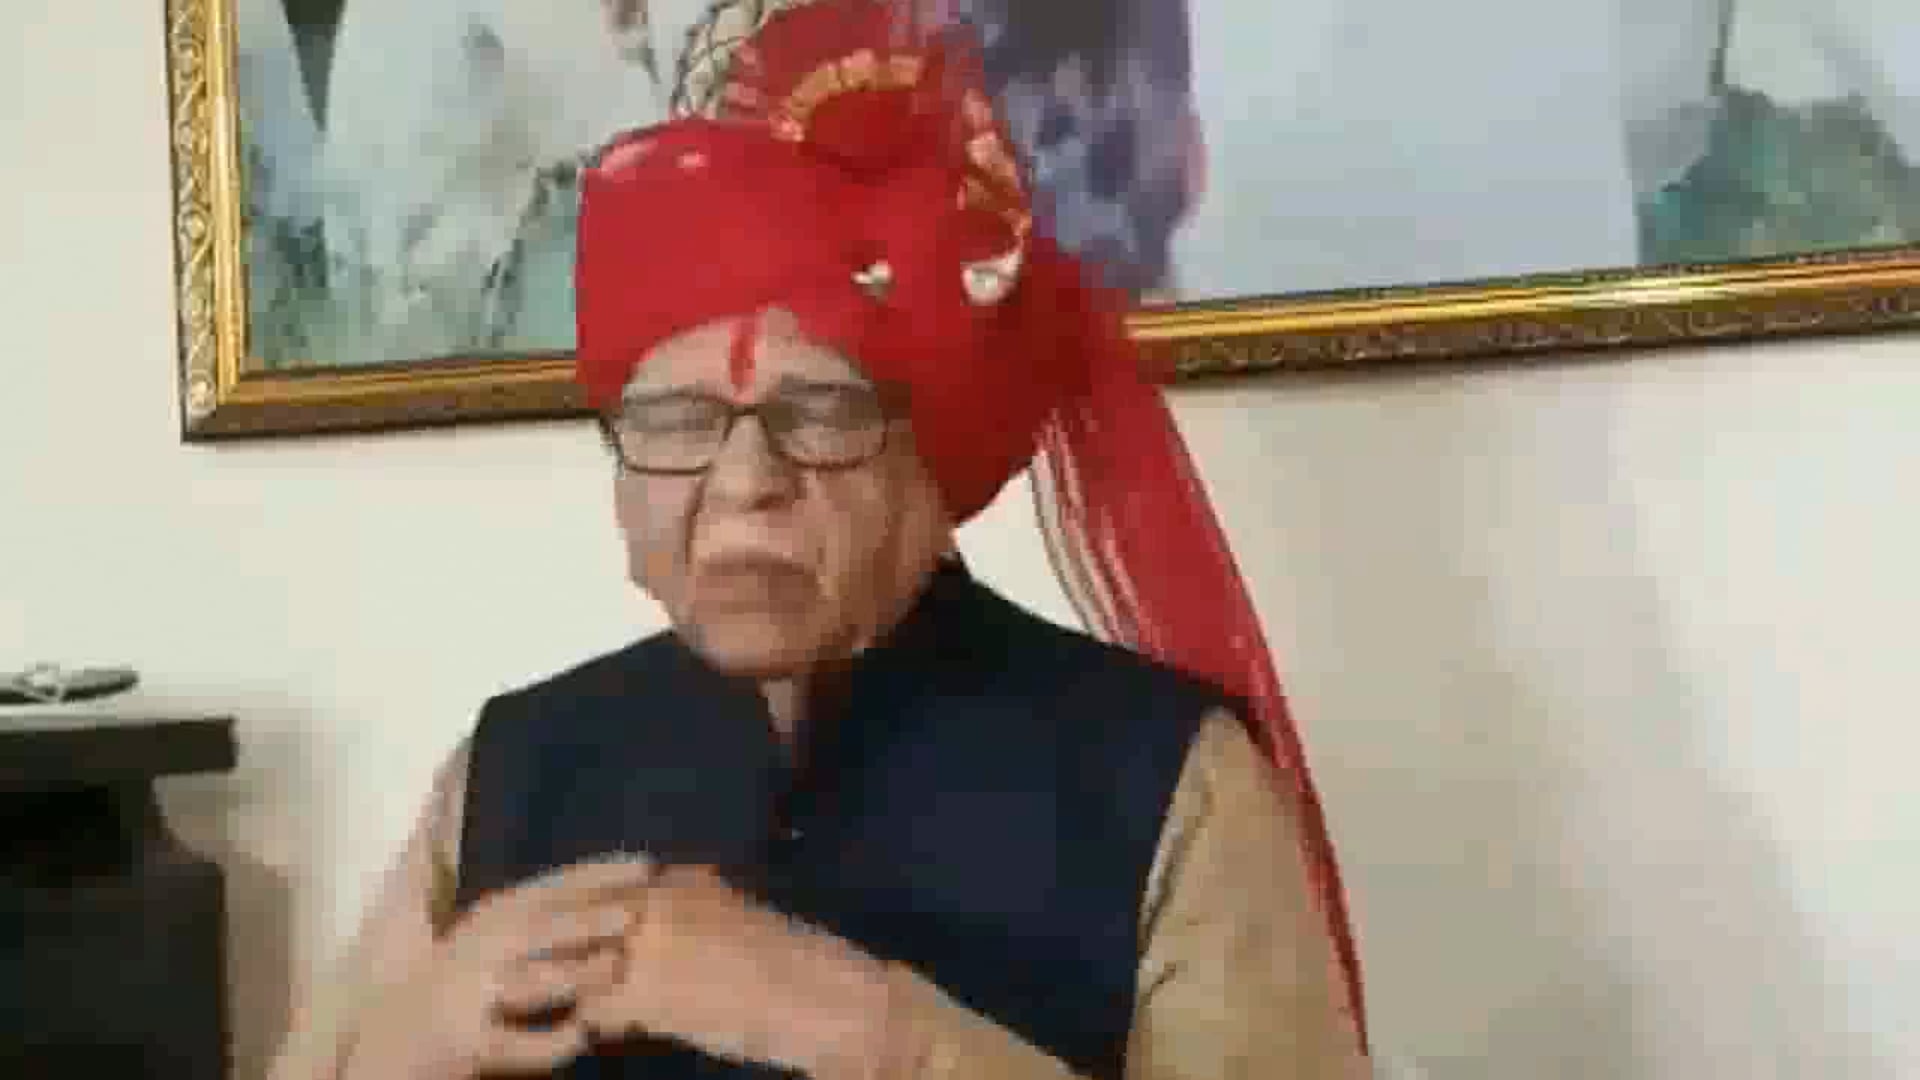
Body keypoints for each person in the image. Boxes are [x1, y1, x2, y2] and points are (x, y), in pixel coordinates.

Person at [265, 2, 1370, 1078]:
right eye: (678, 421)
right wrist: (405, 1044)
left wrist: (882, 1038)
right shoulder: (513, 770)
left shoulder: (1170, 784)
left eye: (822, 411)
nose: (747, 482)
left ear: (935, 460)